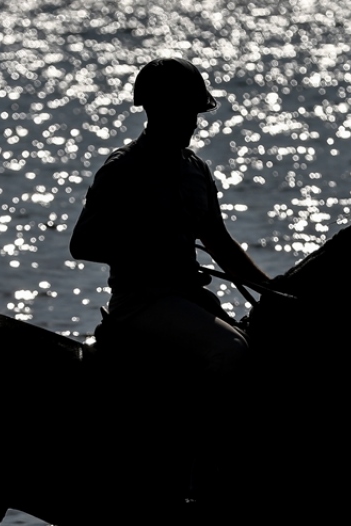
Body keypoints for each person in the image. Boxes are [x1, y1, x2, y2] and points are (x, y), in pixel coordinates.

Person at [70, 57, 269, 377]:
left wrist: (272, 291)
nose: (194, 122)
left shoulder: (196, 170)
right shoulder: (122, 170)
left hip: (189, 297)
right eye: (187, 112)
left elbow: (219, 241)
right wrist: (149, 253)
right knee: (230, 349)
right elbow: (82, 244)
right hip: (140, 302)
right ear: (160, 110)